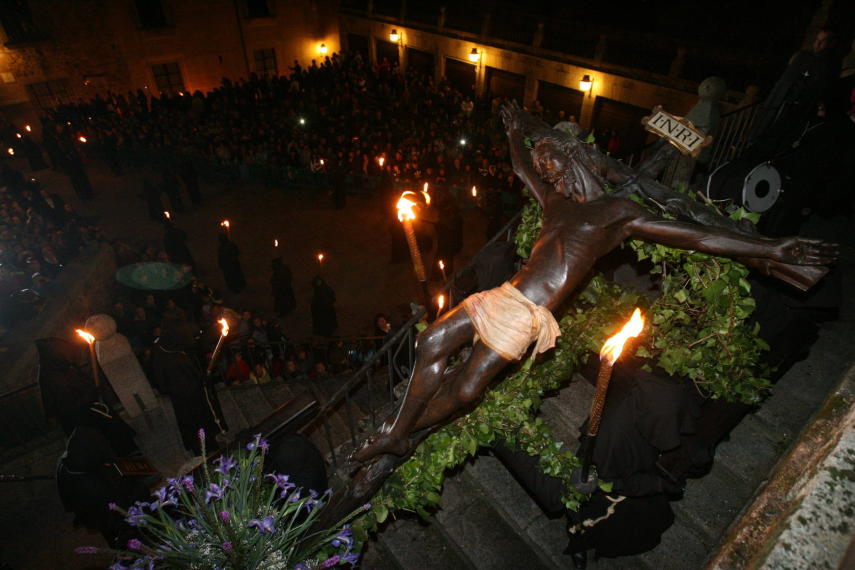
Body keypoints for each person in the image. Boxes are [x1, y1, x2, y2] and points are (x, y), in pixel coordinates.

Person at [353, 103, 837, 463]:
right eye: (545, 168)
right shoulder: (557, 206)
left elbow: (700, 238)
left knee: (465, 391)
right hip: (500, 295)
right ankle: (399, 431)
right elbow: (521, 168)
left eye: (552, 163)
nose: (547, 173)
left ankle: (407, 430)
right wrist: (516, 130)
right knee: (431, 340)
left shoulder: (618, 214)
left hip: (523, 316)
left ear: (574, 158)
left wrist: (769, 249)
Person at [151, 320, 226, 455]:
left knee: (198, 422)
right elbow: (167, 381)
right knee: (196, 422)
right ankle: (204, 449)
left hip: (187, 395)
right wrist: (199, 380)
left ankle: (207, 446)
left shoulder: (168, 351)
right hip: (187, 396)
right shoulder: (168, 354)